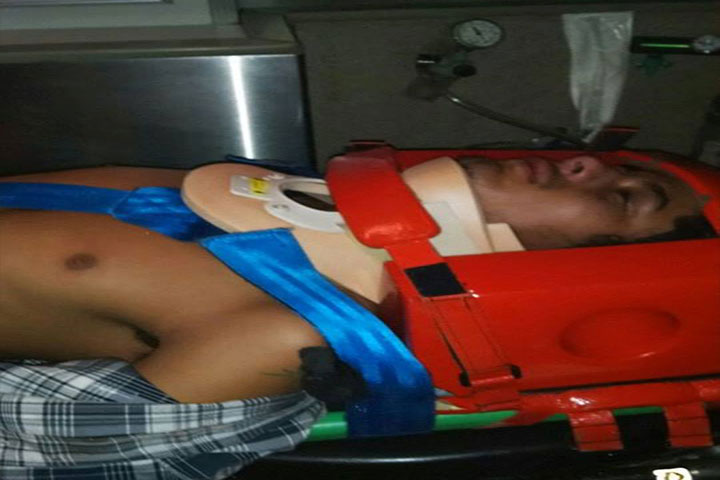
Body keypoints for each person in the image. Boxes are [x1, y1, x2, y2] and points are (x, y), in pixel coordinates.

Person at [0, 151, 716, 478]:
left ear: (595, 275)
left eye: (623, 198)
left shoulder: (295, 330)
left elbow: (51, 446)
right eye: (620, 168)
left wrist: (272, 351)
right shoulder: (275, 193)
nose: (589, 164)